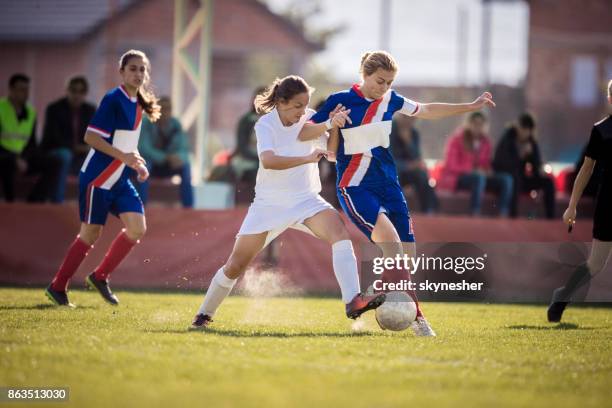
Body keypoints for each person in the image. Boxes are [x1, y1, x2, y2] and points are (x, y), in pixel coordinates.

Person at [301, 51, 496, 336]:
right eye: (380, 81)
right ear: (364, 74)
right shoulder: (339, 100)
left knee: (407, 257)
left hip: (389, 186)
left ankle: (377, 292)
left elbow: (427, 110)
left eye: (389, 83)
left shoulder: (391, 100)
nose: (384, 88)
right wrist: (331, 123)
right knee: (391, 244)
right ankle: (417, 318)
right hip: (355, 186)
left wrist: (471, 106)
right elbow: (304, 132)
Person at [190, 75, 385, 329]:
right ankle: (204, 315)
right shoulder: (265, 125)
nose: (302, 112)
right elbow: (269, 161)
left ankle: (353, 301)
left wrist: (333, 125)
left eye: (305, 106)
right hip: (269, 204)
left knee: (339, 232)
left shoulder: (310, 117)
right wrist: (306, 159)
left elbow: (333, 154)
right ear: (281, 102)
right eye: (297, 106)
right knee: (235, 266)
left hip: (306, 199)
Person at [45, 50, 159, 307]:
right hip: (97, 178)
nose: (138, 73)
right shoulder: (113, 99)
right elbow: (91, 138)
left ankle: (100, 276)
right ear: (121, 72)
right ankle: (58, 286)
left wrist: (137, 163)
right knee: (90, 234)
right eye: (132, 68)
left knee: (137, 228)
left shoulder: (139, 103)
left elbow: (129, 144)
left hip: (119, 179)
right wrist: (125, 157)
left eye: (142, 69)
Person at [548, 79, 612, 322]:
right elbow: (586, 170)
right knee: (596, 263)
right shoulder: (601, 130)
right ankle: (562, 296)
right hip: (608, 202)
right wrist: (572, 206)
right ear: (610, 99)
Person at [28, 76, 96, 203]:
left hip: (79, 156)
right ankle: (57, 202)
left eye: (81, 92)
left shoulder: (90, 110)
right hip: (55, 153)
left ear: (85, 94)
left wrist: (89, 147)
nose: (77, 95)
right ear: (67, 91)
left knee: (98, 158)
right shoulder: (54, 109)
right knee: (65, 155)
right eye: (74, 90)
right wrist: (76, 147)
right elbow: (53, 138)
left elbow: (95, 135)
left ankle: (92, 205)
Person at [439, 111, 513, 217]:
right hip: (459, 178)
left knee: (506, 179)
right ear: (469, 124)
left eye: (481, 124)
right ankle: (475, 212)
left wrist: (488, 170)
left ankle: (503, 213)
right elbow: (451, 165)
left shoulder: (486, 142)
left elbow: (486, 163)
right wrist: (472, 170)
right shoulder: (457, 139)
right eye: (475, 123)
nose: (478, 127)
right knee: (479, 178)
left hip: (480, 176)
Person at [493, 113, 555, 219]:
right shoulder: (508, 138)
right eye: (523, 128)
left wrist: (538, 166)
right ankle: (513, 216)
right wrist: (521, 155)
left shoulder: (531, 142)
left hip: (521, 179)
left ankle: (551, 217)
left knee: (548, 182)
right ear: (518, 127)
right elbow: (503, 164)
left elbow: (536, 168)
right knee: (514, 177)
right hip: (507, 178)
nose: (525, 133)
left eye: (528, 130)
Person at [136, 96, 194, 208]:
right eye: (162, 108)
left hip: (169, 165)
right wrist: (165, 157)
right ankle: (141, 207)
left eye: (168, 109)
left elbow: (184, 148)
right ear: (155, 109)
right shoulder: (146, 123)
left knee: (186, 167)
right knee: (144, 167)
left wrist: (178, 157)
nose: (165, 112)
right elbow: (144, 148)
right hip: (151, 163)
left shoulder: (176, 124)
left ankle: (188, 208)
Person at [390, 114, 439, 214]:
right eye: (407, 118)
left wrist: (408, 142)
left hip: (408, 171)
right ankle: (398, 211)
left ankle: (429, 210)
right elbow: (387, 159)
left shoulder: (413, 133)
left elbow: (416, 157)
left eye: (413, 119)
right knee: (396, 174)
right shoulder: (389, 130)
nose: (409, 121)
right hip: (393, 170)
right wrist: (407, 166)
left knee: (422, 174)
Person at [0, 73, 37, 202]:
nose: (25, 93)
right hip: (4, 155)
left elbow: (32, 143)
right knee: (7, 162)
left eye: (27, 89)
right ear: (11, 90)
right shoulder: (1, 108)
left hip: (22, 156)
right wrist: (15, 158)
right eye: (21, 89)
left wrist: (24, 158)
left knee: (53, 162)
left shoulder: (31, 112)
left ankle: (35, 200)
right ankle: (10, 203)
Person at [230, 86, 266, 182]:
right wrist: (259, 159)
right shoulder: (246, 120)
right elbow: (242, 146)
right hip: (248, 160)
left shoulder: (273, 121)